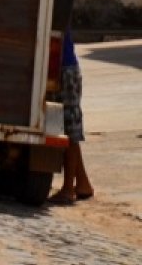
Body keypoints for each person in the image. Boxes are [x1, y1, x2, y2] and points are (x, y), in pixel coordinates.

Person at [51, 28, 95, 204]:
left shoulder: (59, 10)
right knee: (65, 128)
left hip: (65, 69)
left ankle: (69, 188)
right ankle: (83, 183)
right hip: (66, 68)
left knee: (67, 130)